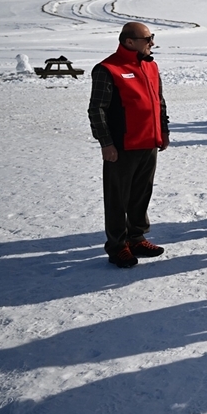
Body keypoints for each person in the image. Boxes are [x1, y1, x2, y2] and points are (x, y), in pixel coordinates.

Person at [88, 22, 170, 268]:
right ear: (129, 42)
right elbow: (97, 109)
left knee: (141, 194)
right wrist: (106, 143)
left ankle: (136, 238)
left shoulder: (151, 66)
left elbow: (159, 101)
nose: (152, 43)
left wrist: (163, 130)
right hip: (122, 146)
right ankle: (117, 245)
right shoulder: (107, 69)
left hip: (149, 143)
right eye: (148, 38)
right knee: (117, 199)